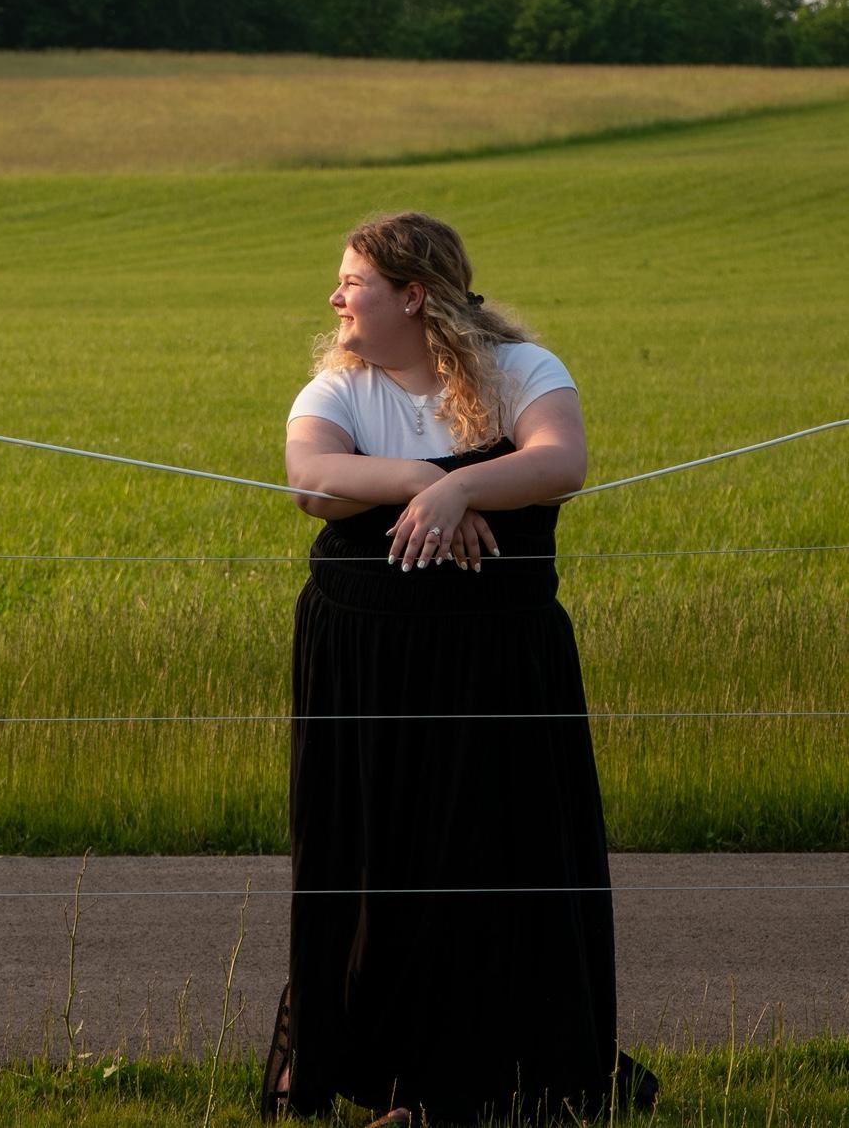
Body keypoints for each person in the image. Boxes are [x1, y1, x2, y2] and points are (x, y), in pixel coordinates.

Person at [265, 211, 656, 1124]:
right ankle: (376, 1072)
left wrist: (463, 487)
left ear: (413, 296)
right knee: (372, 859)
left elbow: (561, 461)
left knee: (493, 852)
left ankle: (489, 1081)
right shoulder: (337, 387)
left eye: (353, 282)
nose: (335, 298)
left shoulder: (524, 371)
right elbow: (310, 480)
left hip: (497, 664)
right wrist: (425, 485)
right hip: (364, 667)